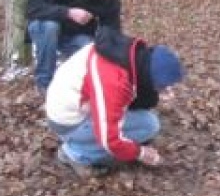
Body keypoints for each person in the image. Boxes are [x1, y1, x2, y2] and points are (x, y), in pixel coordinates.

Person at [44, 27, 185, 174]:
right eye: (164, 87)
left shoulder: (132, 56)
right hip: (68, 122)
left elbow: (135, 97)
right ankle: (75, 153)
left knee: (149, 124)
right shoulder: (114, 82)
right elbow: (109, 140)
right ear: (150, 78)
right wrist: (140, 153)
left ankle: (83, 143)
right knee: (146, 128)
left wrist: (156, 94)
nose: (169, 92)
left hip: (78, 106)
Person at [25, 0, 127, 91]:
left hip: (73, 35)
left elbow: (112, 34)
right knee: (50, 27)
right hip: (44, 28)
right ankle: (45, 84)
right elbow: (32, 7)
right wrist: (68, 13)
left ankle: (81, 88)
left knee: (91, 49)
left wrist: (121, 60)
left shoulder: (110, 1)